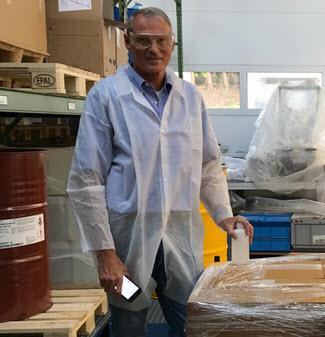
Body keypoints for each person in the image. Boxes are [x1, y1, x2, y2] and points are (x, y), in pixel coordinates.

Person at [67, 7, 253, 337]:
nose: (154, 49)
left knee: (188, 322)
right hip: (126, 243)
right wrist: (105, 255)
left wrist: (225, 216)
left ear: (173, 45)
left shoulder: (190, 97)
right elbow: (86, 180)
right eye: (143, 40)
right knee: (128, 321)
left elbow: (209, 163)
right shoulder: (106, 97)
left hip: (180, 241)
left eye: (162, 40)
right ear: (127, 41)